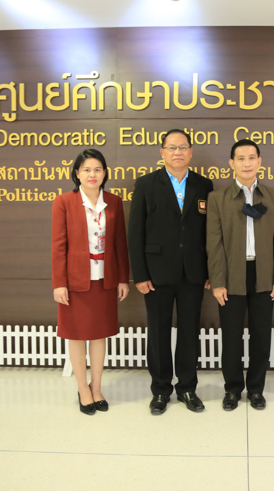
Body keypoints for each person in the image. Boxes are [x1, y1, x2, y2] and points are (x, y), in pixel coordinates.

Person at [128, 129, 214, 415]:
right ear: (162, 152)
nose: (178, 152)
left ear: (191, 152)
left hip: (194, 272)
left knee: (190, 332)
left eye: (183, 147)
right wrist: (140, 275)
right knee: (158, 332)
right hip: (156, 273)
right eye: (172, 147)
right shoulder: (146, 184)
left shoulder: (204, 185)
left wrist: (210, 270)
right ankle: (161, 390)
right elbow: (135, 232)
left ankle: (188, 388)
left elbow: (211, 232)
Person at [206, 139, 274, 411]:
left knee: (261, 336)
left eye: (252, 157)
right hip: (231, 275)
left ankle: (255, 390)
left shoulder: (273, 196)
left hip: (264, 274)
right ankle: (232, 389)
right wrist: (217, 281)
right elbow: (214, 244)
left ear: (260, 162)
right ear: (231, 163)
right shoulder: (218, 198)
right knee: (231, 336)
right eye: (240, 158)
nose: (247, 163)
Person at [51, 149, 130, 415]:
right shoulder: (64, 201)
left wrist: (123, 278)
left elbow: (120, 243)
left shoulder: (114, 201)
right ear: (77, 173)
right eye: (86, 170)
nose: (92, 174)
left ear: (105, 173)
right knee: (76, 336)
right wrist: (59, 283)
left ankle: (96, 387)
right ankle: (82, 389)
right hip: (75, 281)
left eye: (97, 169)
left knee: (99, 335)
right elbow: (58, 246)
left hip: (105, 279)